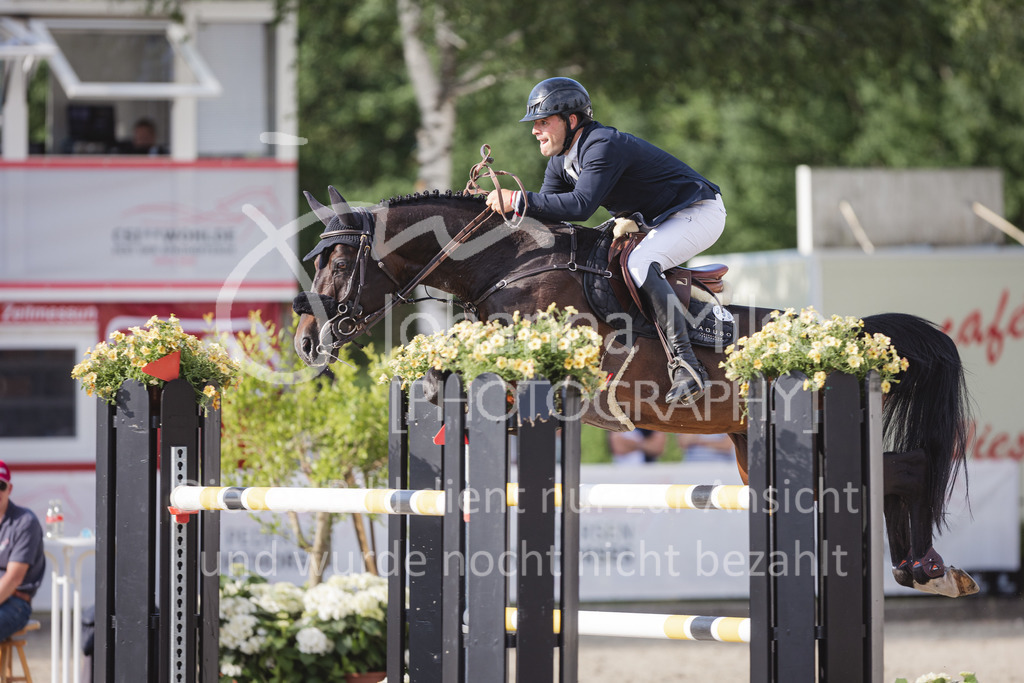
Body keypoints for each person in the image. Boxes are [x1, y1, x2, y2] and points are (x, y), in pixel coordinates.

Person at [487, 78, 726, 405]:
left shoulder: (602, 145)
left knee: (639, 263)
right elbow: (548, 218)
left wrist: (516, 199)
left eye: (543, 122)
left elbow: (580, 207)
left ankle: (688, 365)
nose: (534, 130)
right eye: (535, 123)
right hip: (658, 218)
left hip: (698, 212)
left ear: (572, 121)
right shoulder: (561, 160)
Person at [0, 461, 45, 642]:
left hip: (15, 602)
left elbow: (13, 579)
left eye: (0, 485)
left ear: (9, 489)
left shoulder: (25, 521)